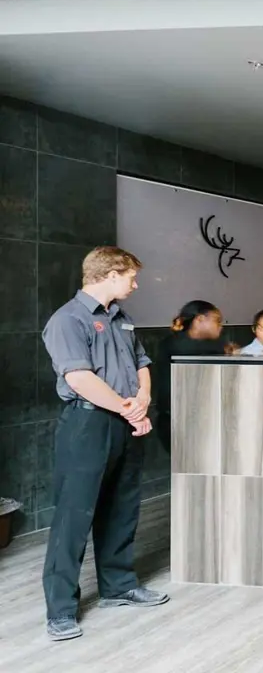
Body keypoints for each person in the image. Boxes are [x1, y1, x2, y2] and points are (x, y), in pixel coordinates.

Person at [40, 246, 169, 642]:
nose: (136, 283)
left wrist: (142, 399)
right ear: (110, 274)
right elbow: (79, 378)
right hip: (88, 423)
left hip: (125, 419)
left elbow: (142, 363)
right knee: (74, 516)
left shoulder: (121, 318)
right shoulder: (68, 319)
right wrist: (129, 409)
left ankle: (118, 587)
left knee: (122, 506)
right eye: (131, 276)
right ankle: (61, 609)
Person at [151, 301, 229, 454]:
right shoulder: (175, 344)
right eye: (216, 320)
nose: (220, 326)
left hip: (205, 417)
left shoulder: (215, 345)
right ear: (200, 319)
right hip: (178, 419)